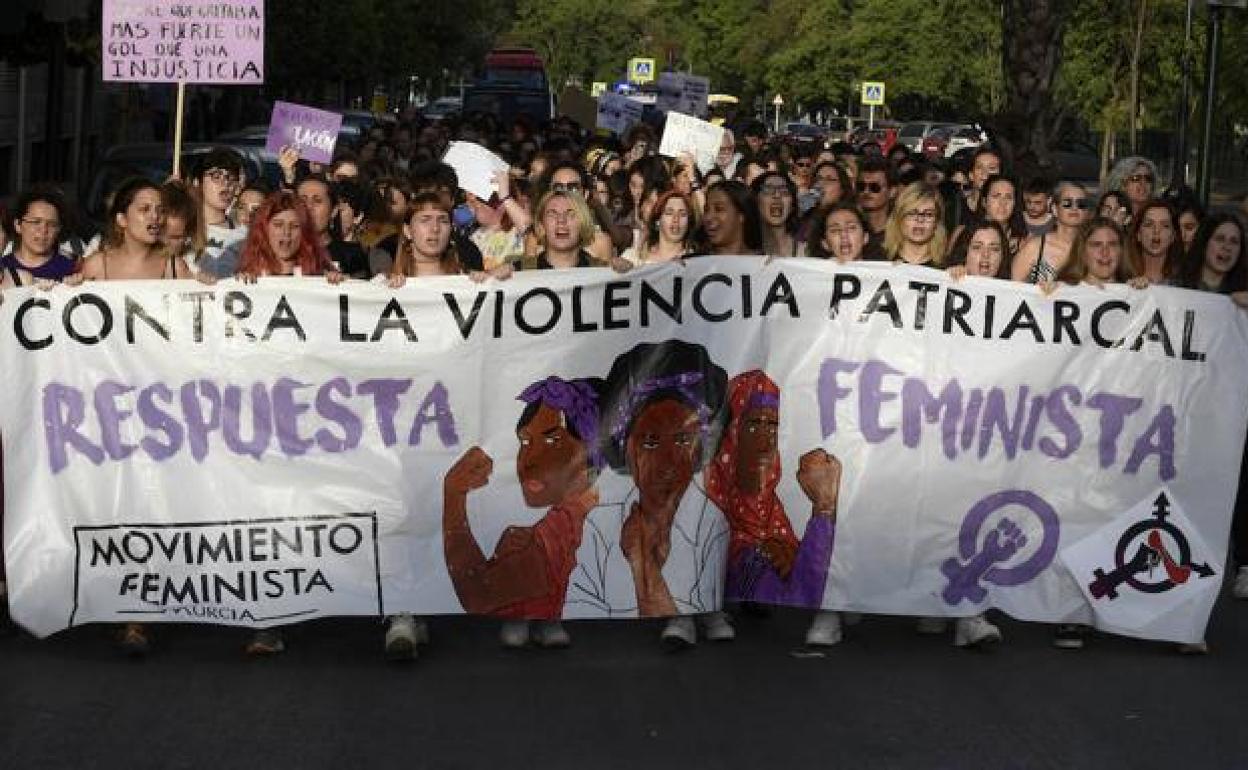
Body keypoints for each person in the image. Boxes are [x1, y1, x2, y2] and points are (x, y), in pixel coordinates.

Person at [443, 376, 607, 650]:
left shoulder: (562, 527)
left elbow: (479, 594)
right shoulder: (568, 519)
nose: (528, 462)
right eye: (525, 443)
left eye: (553, 440)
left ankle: (536, 619)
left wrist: (453, 495)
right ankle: (537, 619)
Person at [598, 340, 732, 649]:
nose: (667, 462)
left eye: (682, 439)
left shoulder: (711, 510)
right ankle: (682, 615)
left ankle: (710, 607)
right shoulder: (601, 525)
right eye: (650, 442)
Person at [703, 370, 845, 647]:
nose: (767, 440)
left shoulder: (770, 511)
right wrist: (823, 509)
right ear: (732, 431)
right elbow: (798, 596)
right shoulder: (710, 501)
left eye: (773, 426)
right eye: (754, 424)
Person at [1011, 181, 1091, 283]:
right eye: (1067, 203)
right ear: (1054, 209)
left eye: (1081, 204)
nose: (1074, 208)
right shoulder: (1035, 247)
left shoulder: (1094, 250)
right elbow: (1013, 290)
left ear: (1087, 212)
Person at [1, 185, 78, 281]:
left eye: (52, 224)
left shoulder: (71, 270)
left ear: (59, 229)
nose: (44, 230)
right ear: (18, 225)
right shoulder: (3, 268)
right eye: (36, 222)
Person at [190, 148, 247, 268]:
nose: (225, 183)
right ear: (197, 183)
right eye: (216, 176)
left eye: (231, 177)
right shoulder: (183, 230)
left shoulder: (244, 235)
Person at [620, 190, 698, 265]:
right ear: (658, 220)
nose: (676, 219)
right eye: (669, 213)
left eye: (682, 214)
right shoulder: (637, 258)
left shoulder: (696, 260)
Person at [884, 182, 946, 266]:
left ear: (937, 222)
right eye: (912, 213)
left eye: (928, 214)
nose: (920, 220)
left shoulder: (947, 269)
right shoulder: (878, 261)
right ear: (899, 217)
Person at [697, 181, 762, 256]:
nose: (708, 217)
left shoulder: (766, 264)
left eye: (719, 209)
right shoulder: (691, 264)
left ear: (742, 215)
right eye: (706, 210)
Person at [1126, 199, 1182, 284]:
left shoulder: (1185, 280)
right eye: (1149, 224)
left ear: (1173, 236)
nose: (1156, 230)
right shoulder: (1121, 275)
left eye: (1165, 226)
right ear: (1138, 234)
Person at [751, 171, 802, 257]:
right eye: (768, 190)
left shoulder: (808, 252)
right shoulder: (743, 252)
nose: (777, 195)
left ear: (792, 206)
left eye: (784, 191)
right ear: (755, 201)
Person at [946, 219, 1011, 280]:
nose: (986, 254)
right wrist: (947, 278)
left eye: (994, 249)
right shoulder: (944, 285)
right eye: (977, 247)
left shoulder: (1013, 290)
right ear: (964, 253)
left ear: (1002, 257)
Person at [806, 203, 870, 263]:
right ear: (825, 243)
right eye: (835, 230)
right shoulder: (814, 274)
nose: (843, 234)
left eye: (851, 227)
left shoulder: (878, 272)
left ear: (865, 237)